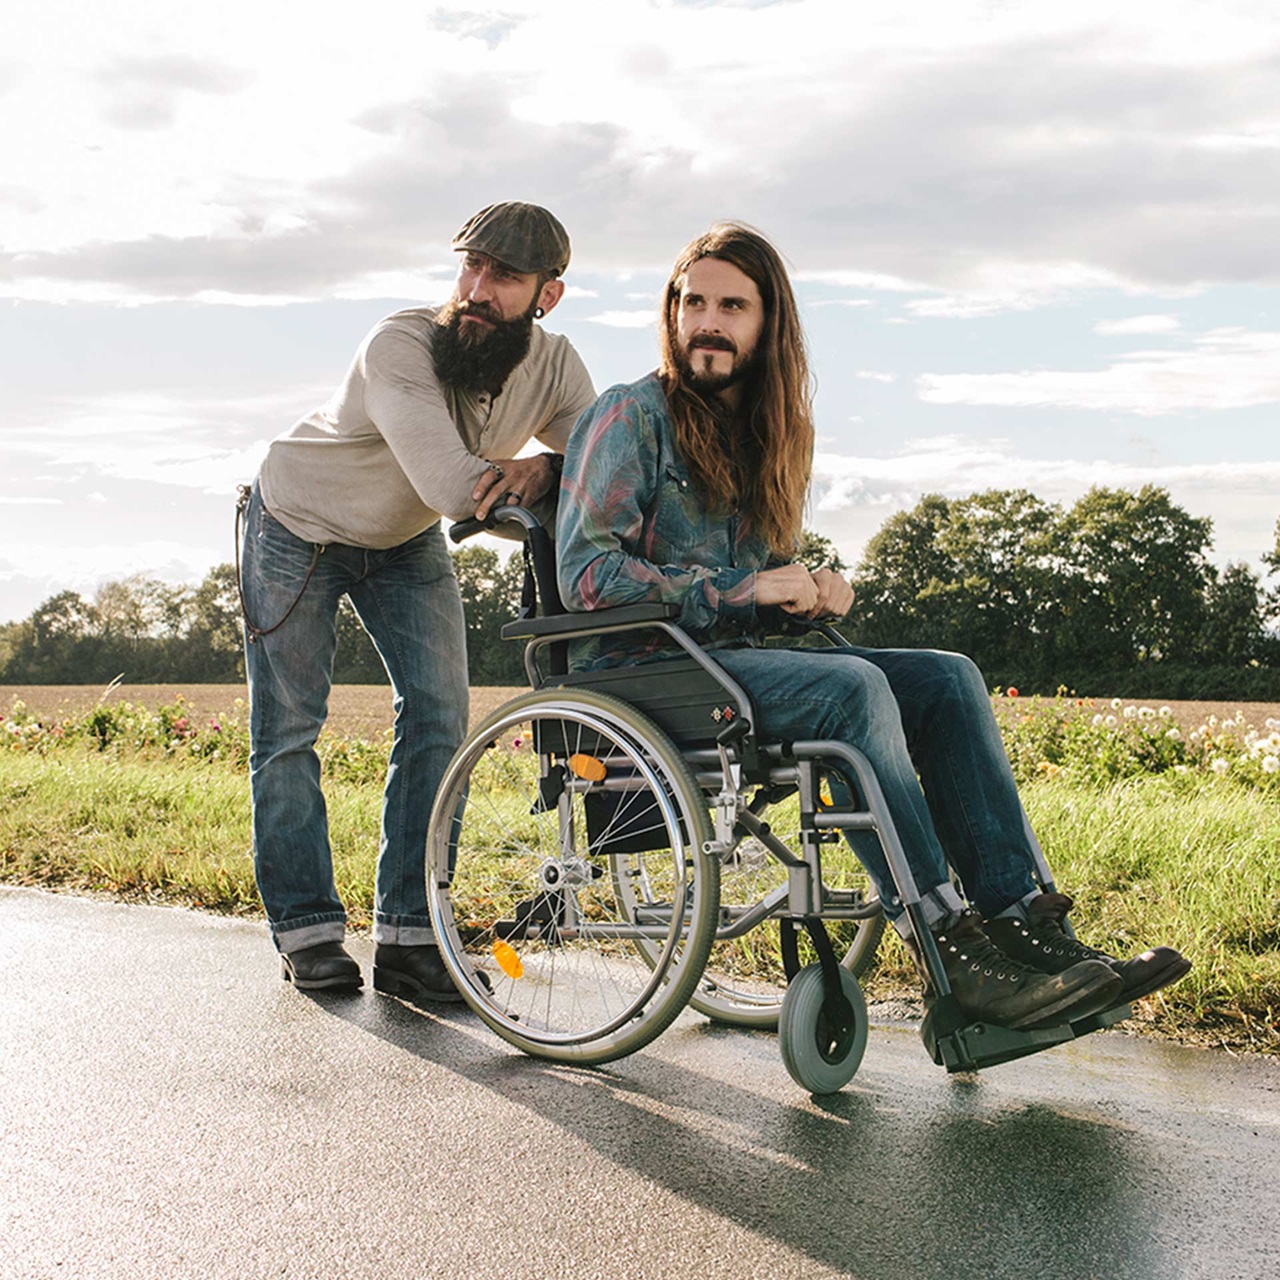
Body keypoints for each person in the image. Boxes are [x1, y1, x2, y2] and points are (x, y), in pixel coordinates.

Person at [556, 222, 1190, 1030]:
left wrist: (812, 590)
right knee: (849, 690)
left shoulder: (769, 437)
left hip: (736, 664)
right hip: (648, 672)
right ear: (672, 312)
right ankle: (949, 952)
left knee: (947, 676)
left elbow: (763, 584)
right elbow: (587, 576)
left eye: (732, 306)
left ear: (768, 323)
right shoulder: (629, 415)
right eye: (693, 302)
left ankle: (1027, 927)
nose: (707, 322)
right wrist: (742, 588)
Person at [241, 201, 595, 996]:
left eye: (503, 275)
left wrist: (547, 469)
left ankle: (408, 937)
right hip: (299, 523)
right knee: (290, 730)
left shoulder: (558, 367)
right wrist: (547, 473)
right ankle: (307, 931)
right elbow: (451, 486)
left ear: (548, 294)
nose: (476, 287)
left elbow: (605, 475)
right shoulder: (400, 344)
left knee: (440, 716)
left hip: (401, 543)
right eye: (469, 265)